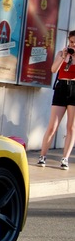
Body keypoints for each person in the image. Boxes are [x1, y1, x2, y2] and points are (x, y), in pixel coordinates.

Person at [37, 29, 75, 170]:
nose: (73, 45)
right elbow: (53, 70)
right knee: (53, 126)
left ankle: (65, 158)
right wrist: (63, 56)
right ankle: (42, 156)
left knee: (71, 127)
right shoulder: (62, 53)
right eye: (71, 42)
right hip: (61, 87)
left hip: (74, 89)